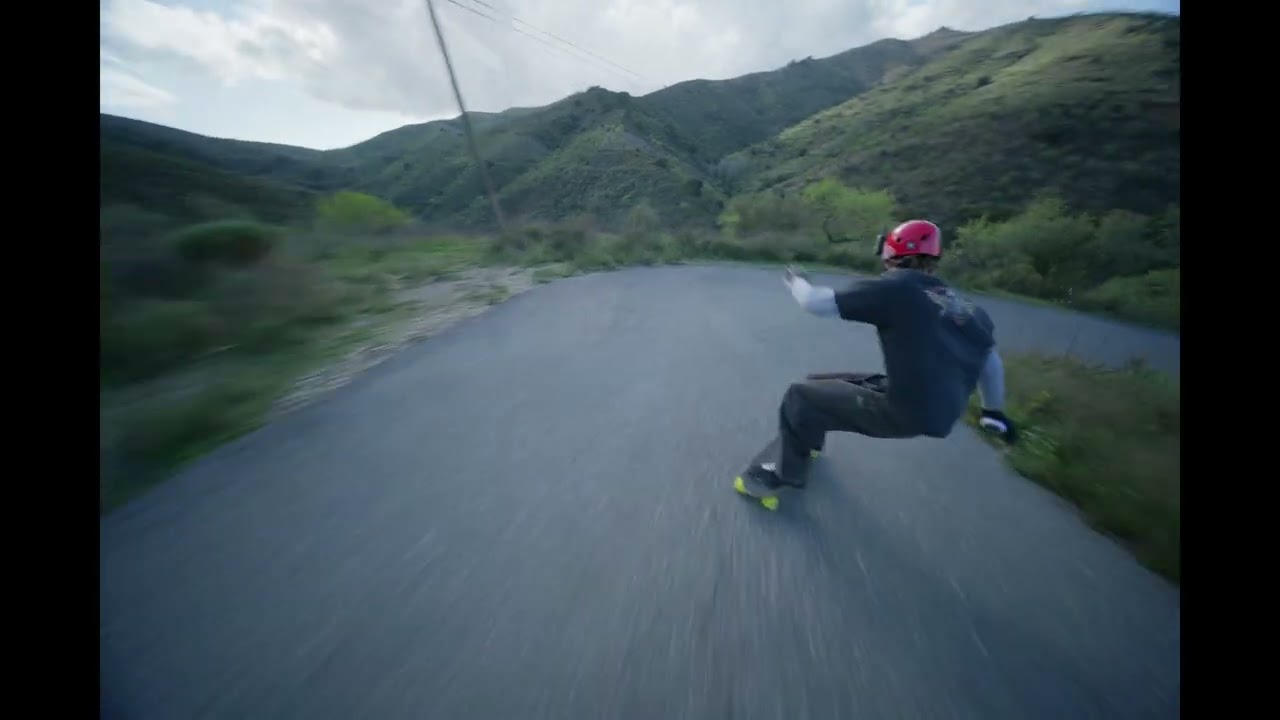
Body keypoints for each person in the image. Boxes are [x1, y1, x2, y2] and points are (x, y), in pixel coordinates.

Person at [734, 218, 1018, 506]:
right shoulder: (964, 305)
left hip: (905, 411)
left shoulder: (898, 286)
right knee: (818, 384)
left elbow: (815, 303)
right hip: (938, 409)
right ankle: (808, 439)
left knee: (799, 396)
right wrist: (993, 411)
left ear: (892, 252)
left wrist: (796, 281)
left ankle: (782, 475)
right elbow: (991, 361)